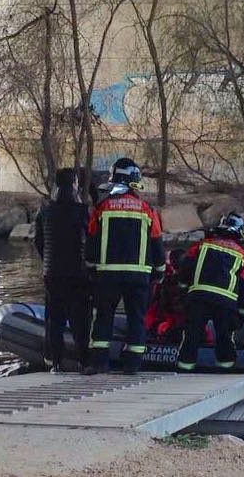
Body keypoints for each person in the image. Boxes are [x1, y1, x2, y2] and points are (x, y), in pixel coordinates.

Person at [84, 157, 165, 375]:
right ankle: (132, 366)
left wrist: (91, 268)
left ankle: (99, 363)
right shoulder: (147, 210)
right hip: (139, 277)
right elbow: (157, 244)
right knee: (136, 319)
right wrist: (159, 272)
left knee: (103, 317)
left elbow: (91, 242)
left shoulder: (102, 208)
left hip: (107, 275)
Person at [176, 212, 244, 371]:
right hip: (225, 303)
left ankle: (184, 370)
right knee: (225, 339)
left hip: (198, 298)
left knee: (191, 337)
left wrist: (183, 293)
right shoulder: (243, 256)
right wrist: (243, 314)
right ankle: (224, 373)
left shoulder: (201, 245)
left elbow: (185, 269)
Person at [34, 168, 91, 372]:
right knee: (80, 319)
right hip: (77, 272)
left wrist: (48, 261)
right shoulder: (82, 211)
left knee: (54, 319)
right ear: (74, 184)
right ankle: (83, 361)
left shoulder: (45, 210)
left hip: (52, 272)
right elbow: (90, 242)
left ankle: (54, 362)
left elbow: (38, 241)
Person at [144, 248, 189, 342]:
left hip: (171, 323)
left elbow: (161, 306)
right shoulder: (192, 283)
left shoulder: (166, 282)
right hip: (186, 324)